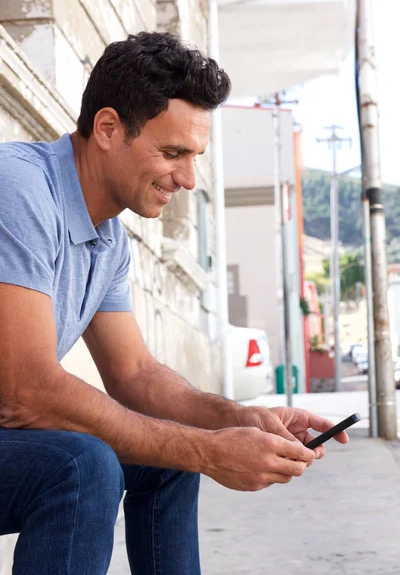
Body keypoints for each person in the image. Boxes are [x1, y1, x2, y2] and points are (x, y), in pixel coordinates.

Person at [0, 31, 348, 575]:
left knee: (164, 458)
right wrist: (209, 451)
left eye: (194, 157)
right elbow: (27, 392)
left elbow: (135, 374)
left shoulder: (107, 234)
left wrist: (239, 420)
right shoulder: (18, 187)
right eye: (172, 153)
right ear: (109, 128)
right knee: (83, 464)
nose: (186, 178)